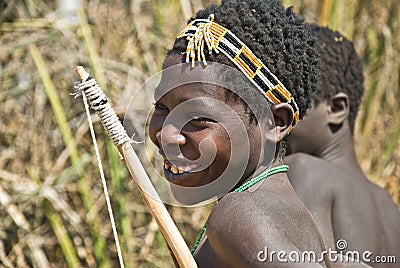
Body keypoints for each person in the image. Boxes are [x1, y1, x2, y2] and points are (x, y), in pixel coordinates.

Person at [146, 0, 344, 266]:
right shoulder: (277, 210)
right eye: (161, 107)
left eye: (197, 118)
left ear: (274, 122)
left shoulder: (238, 215)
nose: (167, 135)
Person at [285, 24, 400, 267]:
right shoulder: (389, 208)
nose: (274, 118)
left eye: (289, 103)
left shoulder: (306, 171)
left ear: (336, 109)